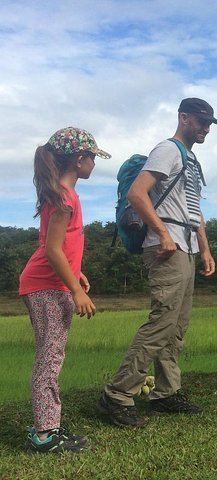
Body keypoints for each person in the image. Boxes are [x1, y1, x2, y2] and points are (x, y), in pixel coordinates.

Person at [98, 98, 217, 427]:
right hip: (167, 248)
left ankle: (166, 392)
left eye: (210, 124)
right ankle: (117, 394)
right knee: (160, 324)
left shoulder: (189, 159)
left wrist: (205, 249)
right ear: (183, 118)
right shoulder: (168, 150)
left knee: (176, 327)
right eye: (201, 122)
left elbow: (194, 210)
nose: (206, 128)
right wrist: (163, 233)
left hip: (186, 246)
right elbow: (138, 193)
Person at [19, 127, 111, 453]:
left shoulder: (63, 194)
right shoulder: (63, 196)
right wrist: (76, 290)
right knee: (49, 359)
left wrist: (76, 273)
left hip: (53, 282)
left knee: (52, 356)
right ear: (79, 158)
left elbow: (57, 245)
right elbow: (52, 250)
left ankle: (51, 425)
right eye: (93, 158)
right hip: (46, 286)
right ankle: (45, 435)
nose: (95, 164)